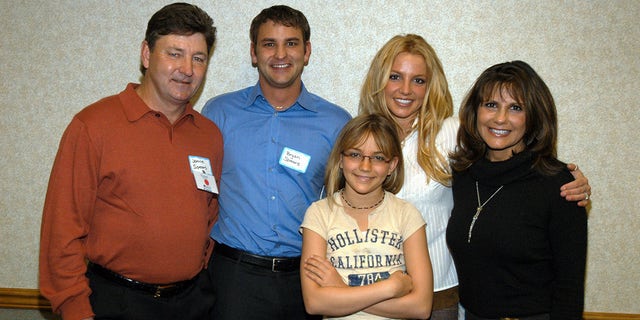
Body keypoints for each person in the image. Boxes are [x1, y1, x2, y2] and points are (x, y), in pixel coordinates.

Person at [358, 34, 591, 319]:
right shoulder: (357, 137)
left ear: (432, 86)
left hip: (438, 291)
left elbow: (518, 159)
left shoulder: (454, 135)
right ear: (379, 80)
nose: (406, 89)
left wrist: (571, 181)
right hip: (367, 286)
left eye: (418, 80)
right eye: (395, 76)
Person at [38, 3, 221, 320]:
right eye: (174, 53)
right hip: (115, 302)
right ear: (147, 55)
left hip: (191, 303)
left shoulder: (209, 135)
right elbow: (62, 231)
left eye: (198, 58)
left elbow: (209, 215)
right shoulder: (93, 126)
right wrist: (74, 310)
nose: (187, 69)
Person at [201, 5, 351, 319]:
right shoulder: (218, 114)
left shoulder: (336, 123)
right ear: (254, 53)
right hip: (233, 279)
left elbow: (345, 203)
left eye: (291, 43)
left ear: (307, 51)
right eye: (269, 44)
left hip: (306, 277)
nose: (280, 54)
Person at [446, 60, 588, 319]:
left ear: (533, 116)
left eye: (515, 108)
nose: (500, 118)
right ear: (475, 111)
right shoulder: (463, 174)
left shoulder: (559, 185)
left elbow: (570, 286)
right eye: (491, 105)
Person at [301, 114, 434, 319]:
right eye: (355, 154)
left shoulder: (406, 214)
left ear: (392, 165)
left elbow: (421, 307)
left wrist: (341, 288)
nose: (365, 166)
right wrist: (390, 287)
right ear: (340, 159)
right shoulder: (319, 213)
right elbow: (315, 302)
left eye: (379, 158)